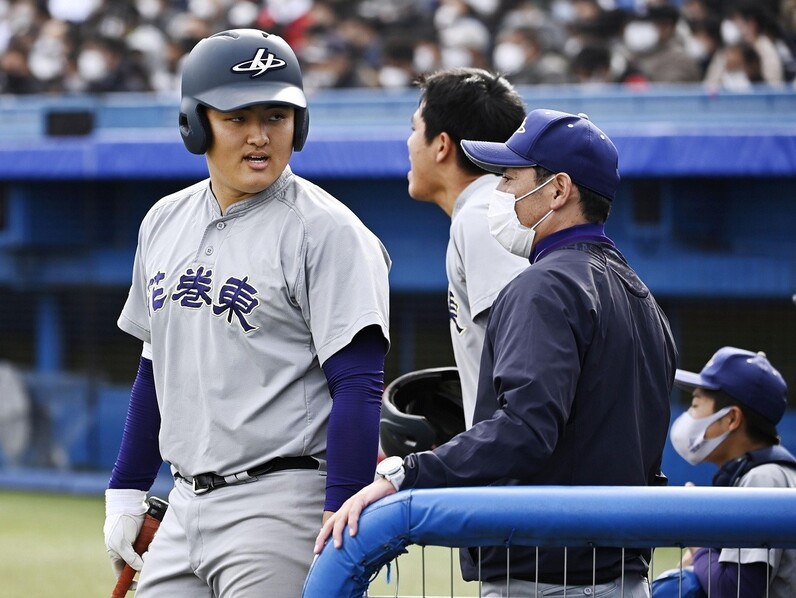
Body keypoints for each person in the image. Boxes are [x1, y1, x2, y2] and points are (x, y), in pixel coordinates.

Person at [316, 108, 677, 597]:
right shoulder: (639, 294)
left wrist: (410, 470)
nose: (499, 193)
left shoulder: (545, 285)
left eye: (509, 177)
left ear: (557, 190)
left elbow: (526, 429)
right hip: (620, 573)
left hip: (548, 575)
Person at [102, 29, 391, 597]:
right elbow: (152, 367)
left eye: (277, 116)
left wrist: (343, 513)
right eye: (237, 118)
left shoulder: (328, 231)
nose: (260, 137)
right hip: (184, 502)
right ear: (195, 123)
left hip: (282, 505)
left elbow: (359, 385)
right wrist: (127, 489)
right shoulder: (162, 220)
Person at [406, 67, 527, 429]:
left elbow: (526, 357)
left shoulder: (485, 214)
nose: (410, 143)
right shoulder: (497, 206)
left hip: (520, 472)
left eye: (415, 129)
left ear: (442, 145)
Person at [668, 346, 796, 597]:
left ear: (731, 419)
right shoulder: (762, 474)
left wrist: (697, 533)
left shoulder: (765, 478)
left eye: (695, 404)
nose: (688, 416)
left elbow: (737, 590)